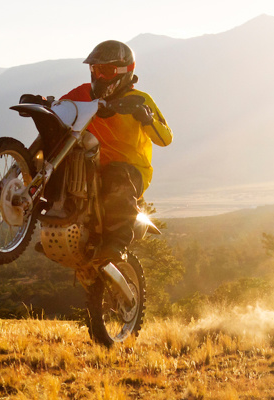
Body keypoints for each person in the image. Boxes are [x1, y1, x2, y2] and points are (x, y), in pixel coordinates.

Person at [59, 40, 173, 262]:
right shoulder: (83, 93)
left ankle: (117, 243)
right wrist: (45, 103)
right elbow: (62, 107)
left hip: (132, 170)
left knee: (116, 174)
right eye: (95, 69)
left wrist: (147, 119)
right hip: (91, 164)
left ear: (124, 71)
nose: (99, 76)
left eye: (106, 70)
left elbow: (166, 138)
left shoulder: (139, 99)